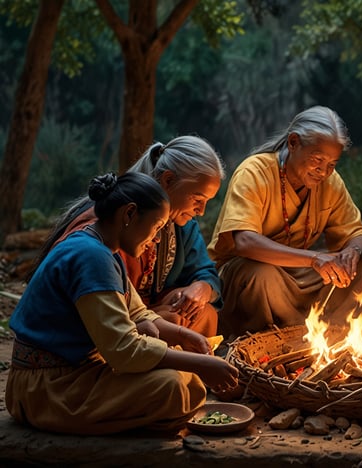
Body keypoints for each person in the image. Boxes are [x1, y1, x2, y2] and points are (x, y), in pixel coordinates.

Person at [6, 172, 239, 436]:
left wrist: (185, 336)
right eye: (156, 227)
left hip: (72, 375)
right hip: (48, 388)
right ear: (128, 215)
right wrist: (201, 363)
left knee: (184, 380)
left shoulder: (105, 250)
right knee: (171, 387)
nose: (157, 239)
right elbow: (123, 348)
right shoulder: (90, 256)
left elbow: (138, 313)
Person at [208, 106, 362, 338]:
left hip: (298, 273)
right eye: (317, 160)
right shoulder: (255, 172)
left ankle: (331, 339)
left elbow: (356, 232)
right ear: (293, 143)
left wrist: (353, 251)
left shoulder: (330, 183)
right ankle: (270, 340)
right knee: (262, 274)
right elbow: (244, 241)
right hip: (248, 277)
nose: (323, 172)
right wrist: (315, 259)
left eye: (332, 164)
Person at [35, 135, 224, 337]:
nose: (202, 211)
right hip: (97, 323)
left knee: (201, 314)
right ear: (168, 180)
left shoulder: (180, 222)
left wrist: (200, 288)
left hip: (134, 313)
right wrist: (155, 317)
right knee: (173, 322)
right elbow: (104, 306)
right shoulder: (106, 229)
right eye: (197, 199)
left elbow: (205, 270)